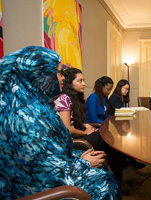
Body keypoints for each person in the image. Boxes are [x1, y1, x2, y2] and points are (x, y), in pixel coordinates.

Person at [0, 46, 120, 199]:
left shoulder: (38, 105)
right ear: (38, 75)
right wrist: (83, 163)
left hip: (59, 169)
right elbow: (46, 171)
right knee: (107, 183)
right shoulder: (23, 119)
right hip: (37, 189)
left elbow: (52, 153)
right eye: (57, 72)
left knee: (103, 165)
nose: (62, 78)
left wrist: (78, 159)